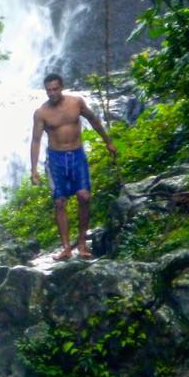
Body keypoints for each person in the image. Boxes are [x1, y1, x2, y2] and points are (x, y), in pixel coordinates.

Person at [30, 73, 117, 261]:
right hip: (55, 159)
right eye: (48, 90)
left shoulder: (76, 102)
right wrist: (34, 169)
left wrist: (108, 142)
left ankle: (83, 244)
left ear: (61, 87)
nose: (52, 93)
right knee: (60, 202)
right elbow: (36, 141)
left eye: (55, 89)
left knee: (84, 196)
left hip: (77, 155)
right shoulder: (41, 113)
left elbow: (94, 120)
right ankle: (66, 248)